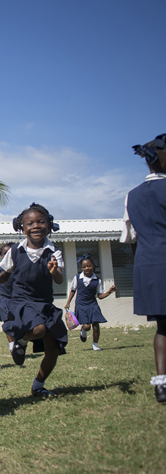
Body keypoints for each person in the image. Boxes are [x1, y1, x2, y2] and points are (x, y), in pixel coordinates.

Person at [0, 203, 67, 399]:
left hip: (44, 303)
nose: (36, 226)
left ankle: (38, 385)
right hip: (22, 302)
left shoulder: (54, 252)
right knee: (38, 329)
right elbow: (5, 275)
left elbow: (60, 278)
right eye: (30, 223)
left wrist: (55, 272)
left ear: (49, 225)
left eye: (41, 222)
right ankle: (19, 341)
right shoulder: (15, 251)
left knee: (53, 349)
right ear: (22, 228)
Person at [121, 133, 166, 403]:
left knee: (163, 327)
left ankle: (161, 383)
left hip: (148, 266)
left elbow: (130, 239)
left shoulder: (132, 195)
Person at [63, 254, 116, 351]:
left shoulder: (97, 280)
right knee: (87, 326)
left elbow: (100, 296)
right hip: (81, 304)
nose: (87, 268)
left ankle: (95, 345)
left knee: (96, 325)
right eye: (84, 267)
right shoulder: (78, 278)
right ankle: (83, 330)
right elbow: (72, 290)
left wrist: (109, 292)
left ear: (93, 266)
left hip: (92, 304)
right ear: (82, 268)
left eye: (89, 266)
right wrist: (68, 302)